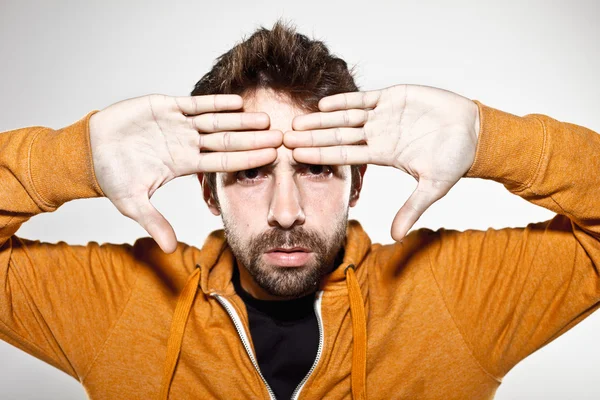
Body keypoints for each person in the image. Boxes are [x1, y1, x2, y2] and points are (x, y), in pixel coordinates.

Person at [0, 21, 598, 400]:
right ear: (209, 192)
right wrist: (71, 158)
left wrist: (489, 139)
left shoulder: (451, 294)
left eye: (314, 169)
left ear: (356, 182)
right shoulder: (119, 302)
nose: (286, 211)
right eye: (252, 172)